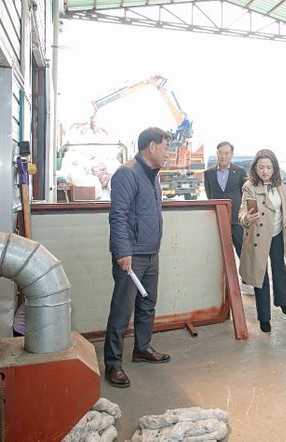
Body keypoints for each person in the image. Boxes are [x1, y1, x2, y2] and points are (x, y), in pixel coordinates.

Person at [104, 127, 172, 388]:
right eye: (165, 148)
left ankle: (142, 348)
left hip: (151, 252)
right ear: (152, 146)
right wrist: (123, 251)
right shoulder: (127, 173)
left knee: (147, 304)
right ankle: (113, 364)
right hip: (131, 255)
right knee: (122, 310)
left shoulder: (153, 175)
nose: (168, 153)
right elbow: (118, 216)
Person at [238, 149, 286, 333]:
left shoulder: (280, 184)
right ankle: (264, 317)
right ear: (255, 168)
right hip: (260, 236)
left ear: (274, 168)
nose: (265, 171)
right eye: (261, 167)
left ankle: (282, 301)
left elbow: (283, 209)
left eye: (269, 167)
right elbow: (242, 212)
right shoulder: (249, 187)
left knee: (279, 268)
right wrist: (246, 218)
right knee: (260, 275)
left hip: (277, 233)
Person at [204, 141, 247, 257]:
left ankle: (245, 270)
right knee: (220, 254)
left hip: (236, 220)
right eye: (220, 153)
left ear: (232, 154)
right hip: (218, 220)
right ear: (217, 153)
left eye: (227, 153)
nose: (223, 156)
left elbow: (245, 195)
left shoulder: (240, 172)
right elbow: (209, 195)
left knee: (243, 252)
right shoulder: (208, 173)